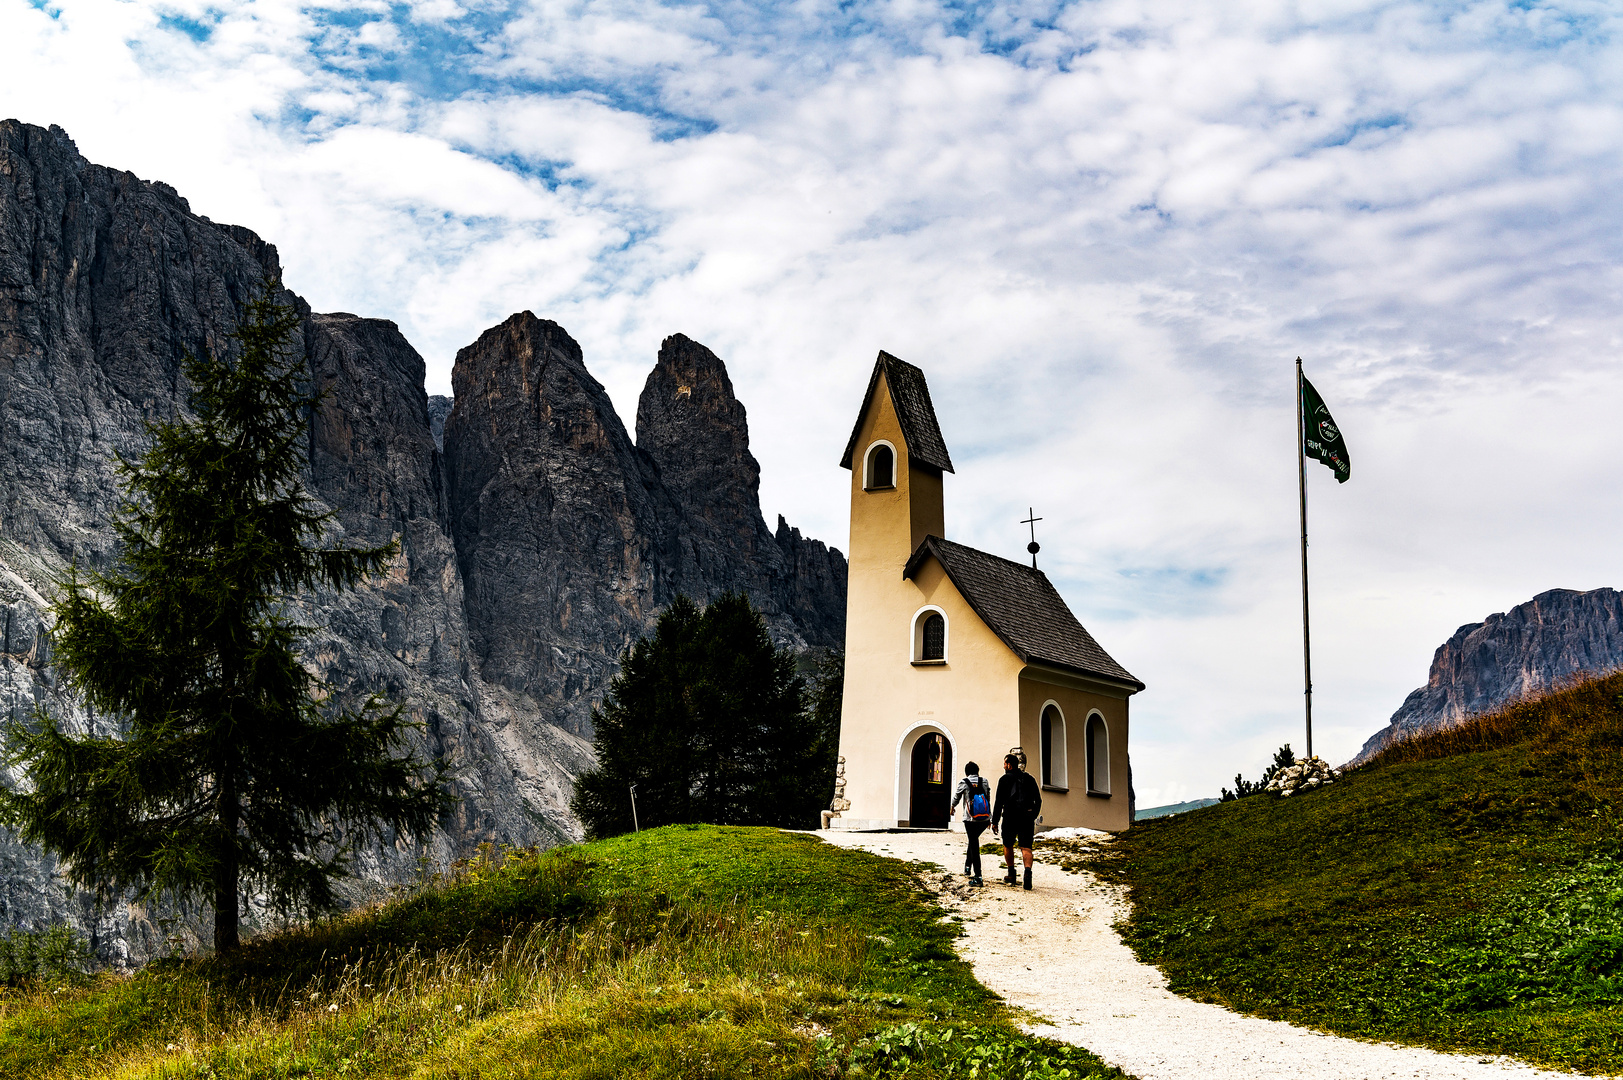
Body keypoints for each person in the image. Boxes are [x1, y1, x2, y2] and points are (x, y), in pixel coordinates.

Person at [991, 753, 1041, 890]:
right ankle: (1027, 873)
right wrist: (1033, 815)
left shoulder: (1004, 780)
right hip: (1026, 818)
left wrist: (994, 821)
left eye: (1004, 763)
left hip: (1010, 817)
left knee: (1008, 844)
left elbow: (998, 802)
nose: (1003, 766)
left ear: (1009, 765)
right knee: (1026, 847)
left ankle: (1011, 873)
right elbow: (1038, 800)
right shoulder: (1030, 779)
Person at [949, 762, 993, 885]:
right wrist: (990, 817)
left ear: (966, 772)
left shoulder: (964, 782)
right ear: (977, 771)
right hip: (984, 819)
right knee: (973, 840)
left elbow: (956, 797)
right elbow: (988, 799)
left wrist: (952, 807)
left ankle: (978, 876)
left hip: (970, 819)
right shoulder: (985, 781)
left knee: (974, 843)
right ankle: (968, 866)